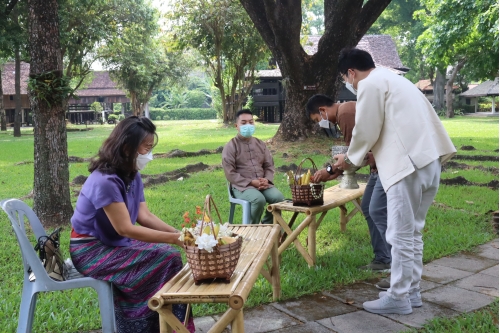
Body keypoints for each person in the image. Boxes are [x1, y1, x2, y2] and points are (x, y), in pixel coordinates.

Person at [334, 48, 456, 315]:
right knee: (412, 232)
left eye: (346, 78)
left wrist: (350, 160)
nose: (349, 83)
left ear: (351, 73)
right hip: (429, 160)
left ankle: (398, 296)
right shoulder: (396, 79)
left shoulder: (370, 83)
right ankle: (412, 291)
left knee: (399, 233)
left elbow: (366, 128)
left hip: (407, 164)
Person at [69, 116, 195, 333]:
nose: (149, 154)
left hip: (114, 243)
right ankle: (153, 325)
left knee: (168, 257)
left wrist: (181, 234)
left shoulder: (131, 176)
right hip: (90, 249)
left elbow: (144, 216)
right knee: (168, 256)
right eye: (146, 147)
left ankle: (166, 326)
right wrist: (175, 240)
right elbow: (125, 228)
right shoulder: (105, 181)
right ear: (127, 148)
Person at [306, 95, 391, 276]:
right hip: (377, 167)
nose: (320, 123)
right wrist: (330, 172)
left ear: (322, 110)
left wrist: (328, 171)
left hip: (386, 166)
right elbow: (352, 156)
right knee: (368, 207)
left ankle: (394, 262)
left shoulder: (345, 113)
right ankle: (383, 258)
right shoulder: (346, 111)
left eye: (317, 119)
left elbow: (353, 156)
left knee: (377, 211)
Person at [222, 109, 285, 224]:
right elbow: (230, 173)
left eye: (251, 122)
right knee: (258, 200)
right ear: (237, 126)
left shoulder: (260, 144)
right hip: (242, 186)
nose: (248, 125)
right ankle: (252, 228)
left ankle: (267, 225)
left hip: (262, 184)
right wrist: (251, 182)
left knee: (279, 199)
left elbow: (269, 165)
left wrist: (267, 179)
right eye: (244, 122)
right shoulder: (231, 146)